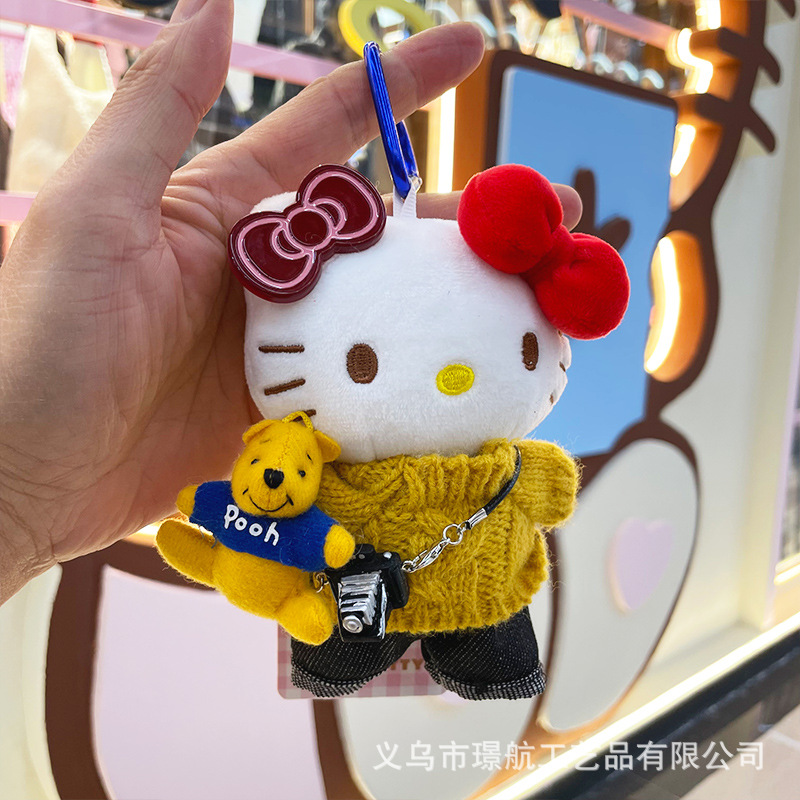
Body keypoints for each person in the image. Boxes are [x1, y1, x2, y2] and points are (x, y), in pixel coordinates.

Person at [0, 0, 581, 605]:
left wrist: (19, 499)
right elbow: (312, 536)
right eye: (361, 363)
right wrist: (16, 494)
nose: (453, 378)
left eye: (524, 350)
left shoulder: (492, 469)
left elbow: (551, 487)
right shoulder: (324, 479)